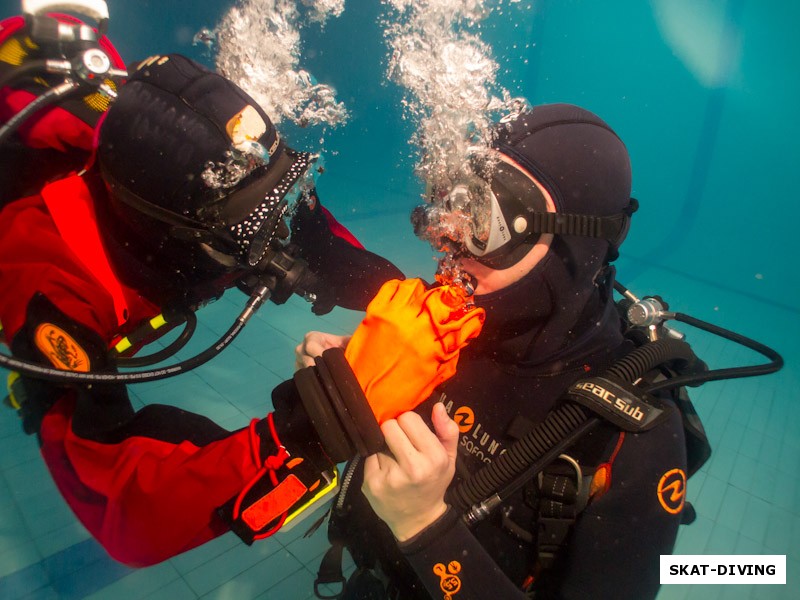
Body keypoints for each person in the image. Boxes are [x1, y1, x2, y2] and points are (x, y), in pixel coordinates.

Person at [0, 48, 437, 566]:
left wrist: (415, 302)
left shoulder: (215, 185)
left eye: (281, 192)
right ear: (176, 240)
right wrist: (317, 426)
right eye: (253, 228)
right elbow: (123, 511)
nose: (278, 234)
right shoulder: (48, 285)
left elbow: (315, 244)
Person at [296, 103, 709, 599]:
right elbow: (354, 273)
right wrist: (347, 388)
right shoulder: (454, 317)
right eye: (454, 204)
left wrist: (425, 527)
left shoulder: (636, 439)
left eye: (488, 219)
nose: (452, 241)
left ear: (572, 246)